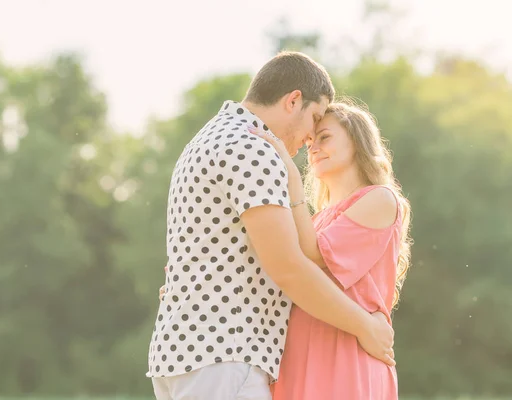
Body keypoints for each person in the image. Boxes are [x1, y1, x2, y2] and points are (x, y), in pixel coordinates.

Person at [147, 51, 395, 400]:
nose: (310, 137)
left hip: (186, 353)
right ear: (293, 101)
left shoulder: (208, 139)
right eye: (315, 118)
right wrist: (365, 326)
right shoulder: (253, 149)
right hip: (227, 353)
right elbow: (289, 268)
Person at [249, 100, 412, 399]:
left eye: (324, 137)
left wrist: (290, 177)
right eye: (310, 141)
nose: (312, 148)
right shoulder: (315, 219)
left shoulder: (380, 200)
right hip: (299, 355)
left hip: (345, 355)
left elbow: (312, 255)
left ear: (357, 140)